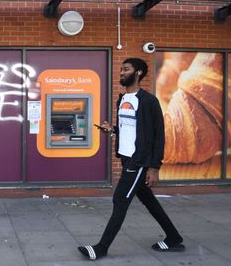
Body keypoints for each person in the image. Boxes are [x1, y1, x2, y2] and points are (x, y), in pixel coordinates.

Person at [78, 58, 184, 260]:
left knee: (120, 199)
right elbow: (134, 129)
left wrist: (154, 167)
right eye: (121, 69)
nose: (121, 73)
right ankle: (173, 237)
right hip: (127, 159)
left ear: (138, 73)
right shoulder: (123, 99)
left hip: (138, 161)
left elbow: (158, 135)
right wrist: (113, 129)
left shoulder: (149, 101)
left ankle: (101, 248)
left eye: (126, 69)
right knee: (149, 201)